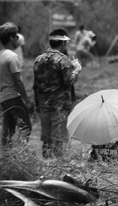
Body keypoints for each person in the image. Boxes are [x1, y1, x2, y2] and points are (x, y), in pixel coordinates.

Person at [33, 28, 82, 157]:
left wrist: (37, 104)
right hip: (59, 105)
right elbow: (68, 81)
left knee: (46, 136)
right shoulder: (63, 60)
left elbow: (35, 85)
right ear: (63, 43)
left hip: (44, 104)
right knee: (58, 137)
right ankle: (56, 165)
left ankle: (46, 163)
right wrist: (76, 69)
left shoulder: (38, 59)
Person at [0, 22, 33, 145]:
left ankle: (6, 157)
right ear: (11, 38)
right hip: (13, 96)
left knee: (8, 129)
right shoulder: (12, 56)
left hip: (3, 97)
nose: (17, 40)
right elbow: (18, 80)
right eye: (16, 37)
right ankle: (22, 154)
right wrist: (27, 101)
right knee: (25, 126)